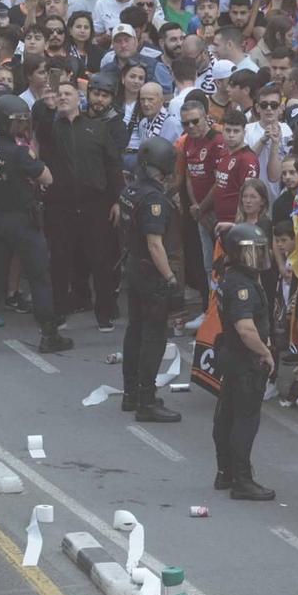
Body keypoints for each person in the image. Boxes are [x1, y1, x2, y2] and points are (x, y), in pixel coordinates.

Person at [0, 94, 73, 355]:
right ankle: (49, 335)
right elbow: (47, 178)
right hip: (23, 221)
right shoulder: (19, 152)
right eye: (18, 121)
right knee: (39, 278)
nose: (23, 125)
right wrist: (32, 155)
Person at [212, 222, 276, 501]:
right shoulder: (242, 286)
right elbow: (246, 329)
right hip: (245, 360)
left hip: (231, 356)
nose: (258, 258)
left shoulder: (234, 277)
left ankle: (225, 472)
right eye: (251, 252)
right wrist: (265, 352)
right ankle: (242, 479)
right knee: (244, 420)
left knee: (227, 413)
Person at [120, 135, 181, 422]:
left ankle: (130, 393)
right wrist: (170, 278)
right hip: (150, 273)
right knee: (153, 336)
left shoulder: (131, 191)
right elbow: (155, 243)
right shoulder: (154, 199)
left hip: (132, 267)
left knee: (134, 331)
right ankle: (146, 400)